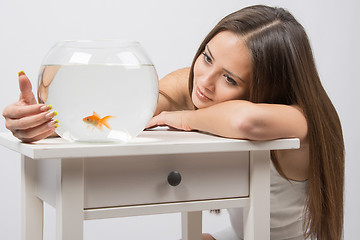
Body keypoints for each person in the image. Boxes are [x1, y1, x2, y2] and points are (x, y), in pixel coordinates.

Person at [2, 5, 344, 240]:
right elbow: (139, 107)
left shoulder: (301, 119)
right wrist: (48, 120)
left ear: (269, 87)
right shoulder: (201, 88)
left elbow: (246, 121)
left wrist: (184, 118)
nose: (204, 81)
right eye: (207, 57)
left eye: (230, 78)